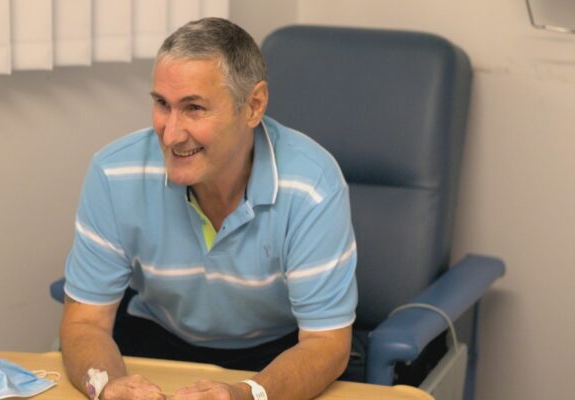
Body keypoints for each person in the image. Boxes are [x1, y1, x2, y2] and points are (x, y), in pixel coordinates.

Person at [58, 18, 358, 400]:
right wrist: (108, 386)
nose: (170, 134)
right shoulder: (114, 172)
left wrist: (247, 394)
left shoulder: (312, 185)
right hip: (155, 344)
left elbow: (325, 344)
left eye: (194, 108)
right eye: (162, 105)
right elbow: (85, 322)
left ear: (253, 105)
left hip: (273, 357)